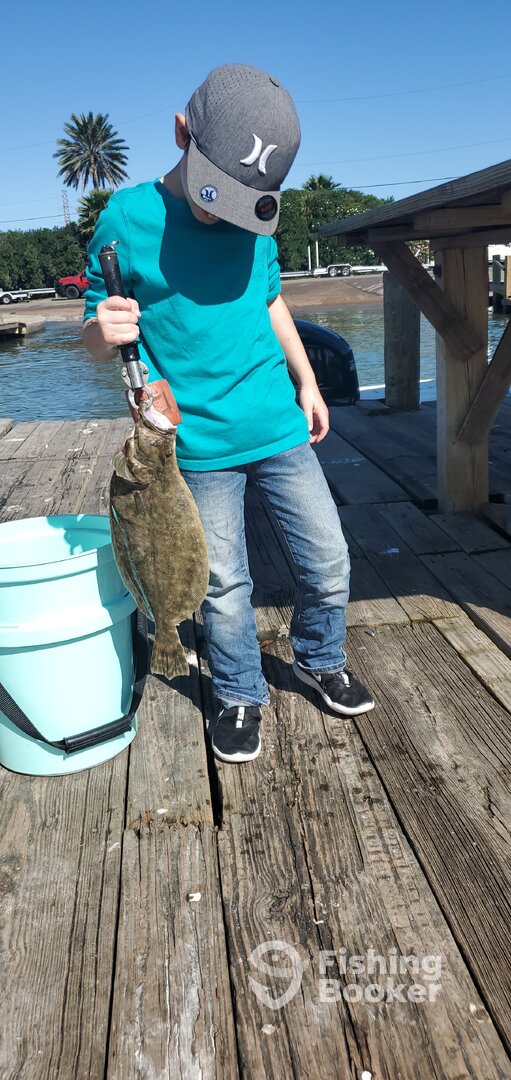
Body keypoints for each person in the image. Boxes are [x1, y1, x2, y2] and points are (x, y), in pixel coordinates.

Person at [82, 63, 375, 764]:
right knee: (222, 583)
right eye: (216, 193)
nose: (224, 214)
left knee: (329, 558)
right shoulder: (125, 219)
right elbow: (96, 334)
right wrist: (102, 330)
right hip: (196, 445)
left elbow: (271, 301)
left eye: (244, 201)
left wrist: (307, 380)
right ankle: (239, 690)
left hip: (277, 424)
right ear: (181, 133)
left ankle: (320, 657)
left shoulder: (256, 221)